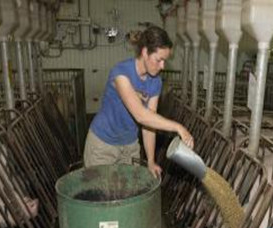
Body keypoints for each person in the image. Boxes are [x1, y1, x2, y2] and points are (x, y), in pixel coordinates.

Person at [83, 26, 194, 178]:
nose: (162, 66)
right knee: (101, 195)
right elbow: (141, 116)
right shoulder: (121, 74)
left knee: (129, 195)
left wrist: (150, 161)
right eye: (159, 60)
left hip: (129, 146)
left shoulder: (155, 82)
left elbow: (149, 123)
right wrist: (178, 127)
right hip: (103, 145)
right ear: (145, 52)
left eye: (165, 61)